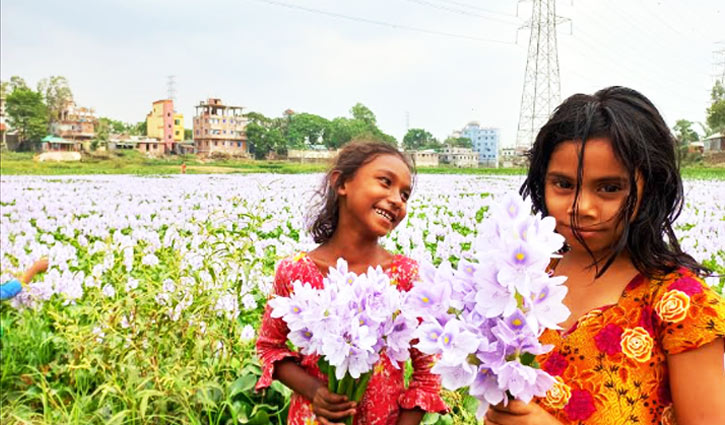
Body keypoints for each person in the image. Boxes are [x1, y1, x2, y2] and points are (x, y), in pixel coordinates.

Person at [484, 86, 725, 425]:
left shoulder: (680, 303)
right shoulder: (525, 278)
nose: (582, 208)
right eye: (563, 185)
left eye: (610, 188)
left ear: (652, 188)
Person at [255, 141, 447, 425]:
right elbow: (269, 348)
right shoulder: (293, 272)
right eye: (385, 182)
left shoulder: (406, 276)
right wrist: (316, 391)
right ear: (341, 182)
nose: (397, 200)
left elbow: (428, 371)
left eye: (405, 195)